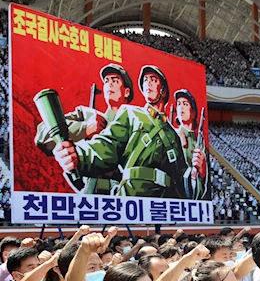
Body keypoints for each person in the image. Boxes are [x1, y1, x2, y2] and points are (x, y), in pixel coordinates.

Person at [51, 65, 207, 198]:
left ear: (163, 91)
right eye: (145, 80)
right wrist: (78, 156)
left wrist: (199, 173)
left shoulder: (172, 134)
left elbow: (181, 179)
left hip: (163, 199)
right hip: (131, 195)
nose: (148, 84)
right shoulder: (130, 113)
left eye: (153, 80)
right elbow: (107, 146)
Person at [36, 64, 134, 194]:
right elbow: (43, 134)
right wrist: (84, 129)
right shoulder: (88, 116)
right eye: (106, 81)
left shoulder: (137, 125)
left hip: (125, 193)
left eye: (115, 81)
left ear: (126, 92)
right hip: (90, 192)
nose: (109, 84)